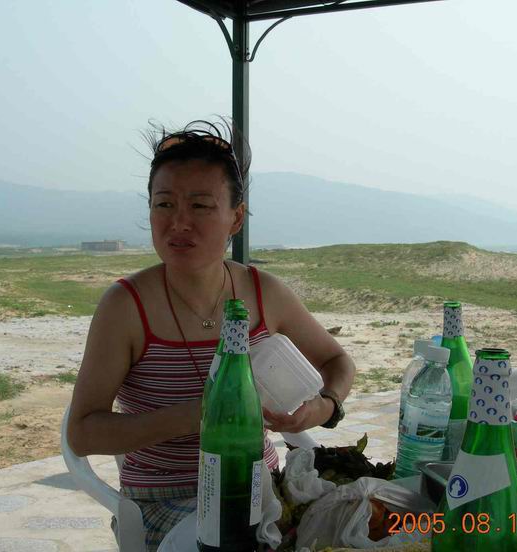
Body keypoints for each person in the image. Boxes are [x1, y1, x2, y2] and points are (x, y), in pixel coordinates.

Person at [66, 119, 356, 550]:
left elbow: (338, 362)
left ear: (235, 218)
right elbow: (83, 432)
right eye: (164, 204)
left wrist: (323, 407)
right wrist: (205, 414)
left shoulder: (264, 293)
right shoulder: (126, 307)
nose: (179, 222)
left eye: (200, 206)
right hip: (167, 498)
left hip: (263, 486)